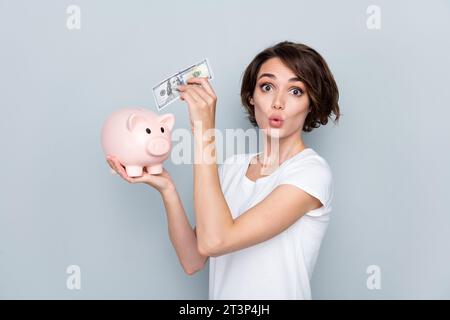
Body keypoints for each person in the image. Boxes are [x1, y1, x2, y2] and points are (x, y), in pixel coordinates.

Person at [106, 41, 340, 299]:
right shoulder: (233, 167)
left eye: (296, 91)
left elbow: (215, 241)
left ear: (311, 104)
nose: (278, 103)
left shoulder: (311, 173)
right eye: (267, 87)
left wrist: (204, 132)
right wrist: (167, 189)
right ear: (252, 98)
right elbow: (193, 259)